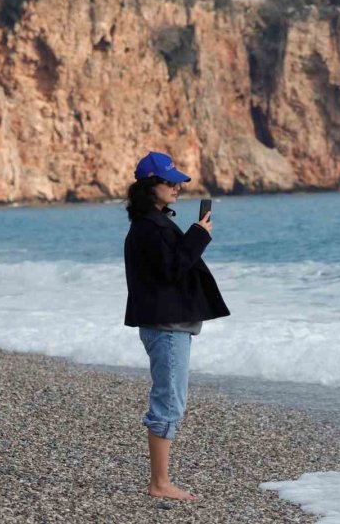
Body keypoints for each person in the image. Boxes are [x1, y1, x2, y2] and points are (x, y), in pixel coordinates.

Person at [123, 151, 230, 500]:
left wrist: (195, 235)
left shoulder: (153, 223)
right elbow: (172, 270)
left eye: (179, 181)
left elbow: (169, 268)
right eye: (169, 182)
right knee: (169, 403)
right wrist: (198, 235)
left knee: (170, 400)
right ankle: (160, 484)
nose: (177, 187)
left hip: (169, 324)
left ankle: (160, 481)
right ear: (149, 186)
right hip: (166, 327)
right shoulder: (149, 228)